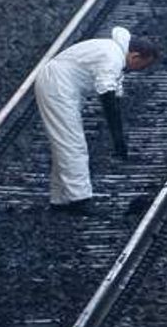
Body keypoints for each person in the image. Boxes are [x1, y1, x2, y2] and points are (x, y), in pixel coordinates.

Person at [34, 27, 159, 212]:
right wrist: (118, 138)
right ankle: (80, 199)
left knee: (64, 142)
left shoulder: (115, 53)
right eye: (143, 66)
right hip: (57, 86)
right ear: (134, 56)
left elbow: (115, 96)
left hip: (61, 85)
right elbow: (107, 97)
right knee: (72, 143)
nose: (141, 70)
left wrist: (119, 138)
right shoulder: (113, 57)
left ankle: (60, 198)